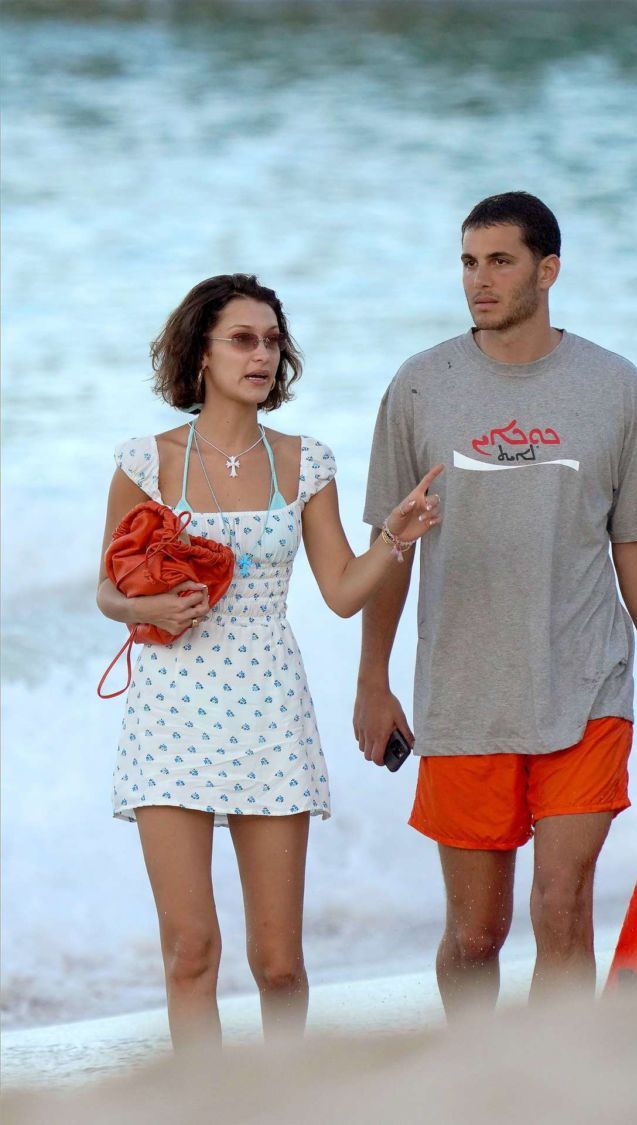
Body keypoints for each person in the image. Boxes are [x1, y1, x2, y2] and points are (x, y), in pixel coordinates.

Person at [354, 192, 637, 1018]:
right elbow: (389, 545)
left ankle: (558, 1090)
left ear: (548, 270)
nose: (480, 280)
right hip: (464, 694)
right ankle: (482, 1082)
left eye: (500, 261)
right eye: (469, 263)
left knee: (562, 904)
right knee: (477, 934)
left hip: (587, 685)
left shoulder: (615, 388)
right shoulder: (418, 387)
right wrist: (374, 680)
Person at [96, 273, 442, 1048]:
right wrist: (148, 608)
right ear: (201, 353)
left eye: (272, 340)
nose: (262, 355)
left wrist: (395, 534)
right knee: (192, 951)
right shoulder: (143, 461)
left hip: (268, 711)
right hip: (170, 713)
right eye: (243, 340)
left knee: (279, 963)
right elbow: (107, 592)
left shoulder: (303, 460)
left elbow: (343, 592)